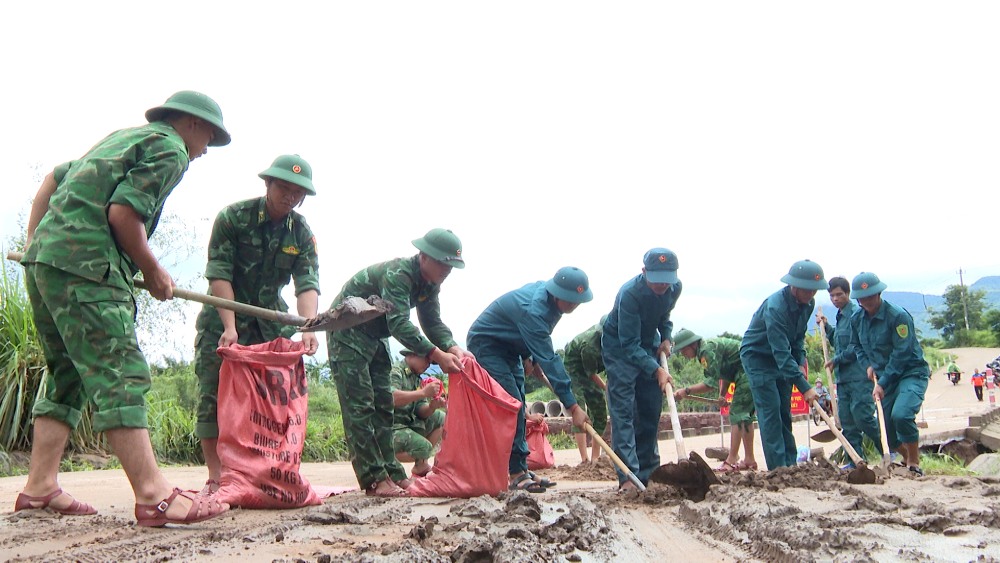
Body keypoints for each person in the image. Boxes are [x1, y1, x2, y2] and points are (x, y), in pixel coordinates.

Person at [16, 91, 231, 526]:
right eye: (209, 137)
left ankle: (39, 486)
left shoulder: (123, 138)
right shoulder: (171, 149)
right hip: (87, 268)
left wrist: (35, 243)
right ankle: (153, 494)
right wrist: (152, 270)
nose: (206, 149)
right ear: (190, 123)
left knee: (66, 376)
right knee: (120, 369)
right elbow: (123, 213)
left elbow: (54, 179)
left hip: (45, 266)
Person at [193, 154, 320, 493]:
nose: (290, 197)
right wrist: (230, 327)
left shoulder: (301, 233)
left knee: (270, 403)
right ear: (268, 183)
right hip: (224, 316)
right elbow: (219, 274)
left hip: (269, 324)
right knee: (214, 394)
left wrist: (308, 326)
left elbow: (307, 283)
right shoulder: (234, 218)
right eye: (284, 188)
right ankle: (218, 478)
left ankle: (262, 473)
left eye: (298, 192)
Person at [327, 228, 471, 497]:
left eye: (451, 266)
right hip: (348, 333)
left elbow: (431, 321)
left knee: (384, 405)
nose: (447, 271)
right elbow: (399, 324)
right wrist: (437, 355)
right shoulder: (399, 274)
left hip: (375, 336)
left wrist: (452, 346)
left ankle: (392, 473)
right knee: (360, 406)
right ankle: (374, 478)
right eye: (443, 263)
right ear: (424, 256)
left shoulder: (430, 283)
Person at [466, 267, 593, 493]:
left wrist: (529, 357)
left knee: (520, 402)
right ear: (557, 294)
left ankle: (521, 466)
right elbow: (550, 359)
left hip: (513, 345)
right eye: (570, 300)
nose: (574, 305)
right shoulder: (535, 310)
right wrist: (573, 406)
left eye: (577, 301)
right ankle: (515, 473)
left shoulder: (552, 303)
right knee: (512, 404)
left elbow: (534, 337)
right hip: (487, 343)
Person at [602, 248, 681, 492]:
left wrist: (666, 337)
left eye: (666, 281)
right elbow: (629, 344)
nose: (662, 286)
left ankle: (649, 473)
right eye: (657, 280)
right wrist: (656, 370)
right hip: (620, 349)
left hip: (648, 345)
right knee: (624, 413)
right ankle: (629, 477)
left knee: (650, 409)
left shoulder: (674, 288)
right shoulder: (629, 294)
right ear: (644, 271)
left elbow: (664, 317)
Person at [739, 260, 823, 471]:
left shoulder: (808, 304)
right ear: (794, 286)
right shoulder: (775, 307)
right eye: (807, 289)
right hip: (759, 357)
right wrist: (805, 387)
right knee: (771, 410)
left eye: (814, 290)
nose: (811, 294)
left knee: (785, 410)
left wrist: (800, 362)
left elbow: (798, 338)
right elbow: (781, 353)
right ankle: (778, 469)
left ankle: (790, 465)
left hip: (783, 357)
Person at [849, 271, 930, 476]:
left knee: (901, 415)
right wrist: (867, 365)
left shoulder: (898, 316)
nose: (867, 301)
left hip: (910, 372)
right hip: (883, 376)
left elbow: (901, 354)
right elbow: (856, 346)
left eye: (871, 295)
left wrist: (882, 383)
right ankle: (905, 456)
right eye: (862, 297)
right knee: (885, 430)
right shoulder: (856, 319)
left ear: (879, 294)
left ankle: (914, 462)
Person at [816, 276, 882, 467]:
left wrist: (836, 360)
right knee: (847, 422)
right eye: (832, 296)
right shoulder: (840, 316)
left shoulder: (856, 314)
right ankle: (855, 460)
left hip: (859, 377)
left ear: (848, 294)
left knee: (863, 417)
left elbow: (856, 346)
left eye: (839, 294)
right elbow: (838, 340)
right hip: (843, 379)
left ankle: (889, 451)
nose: (835, 299)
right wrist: (826, 327)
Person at [673, 329, 759, 472]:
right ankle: (749, 460)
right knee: (745, 417)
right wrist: (722, 395)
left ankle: (731, 460)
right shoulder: (706, 349)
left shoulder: (707, 351)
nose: (683, 354)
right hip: (747, 370)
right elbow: (725, 373)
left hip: (748, 371)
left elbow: (709, 384)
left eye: (683, 350)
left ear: (692, 345)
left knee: (737, 413)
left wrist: (686, 390)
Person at [561, 317, 610, 464]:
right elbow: (591, 374)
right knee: (579, 410)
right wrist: (607, 389)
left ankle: (595, 457)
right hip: (573, 367)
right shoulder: (590, 345)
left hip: (589, 370)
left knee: (600, 409)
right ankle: (584, 459)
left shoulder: (615, 343)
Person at [391, 349, 447, 478]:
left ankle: (420, 466)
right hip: (389, 427)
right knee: (424, 447)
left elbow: (420, 411)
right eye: (426, 360)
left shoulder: (416, 378)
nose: (428, 364)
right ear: (412, 354)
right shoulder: (395, 372)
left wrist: (432, 406)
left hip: (406, 424)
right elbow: (391, 398)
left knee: (441, 418)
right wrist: (423, 393)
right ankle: (383, 457)